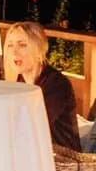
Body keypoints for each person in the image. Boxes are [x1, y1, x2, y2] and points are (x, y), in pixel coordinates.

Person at [5, 21, 82, 151]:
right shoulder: (20, 81)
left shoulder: (56, 84)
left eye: (22, 45)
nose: (14, 52)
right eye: (10, 45)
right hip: (34, 151)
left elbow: (32, 125)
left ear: (39, 49)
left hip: (63, 156)